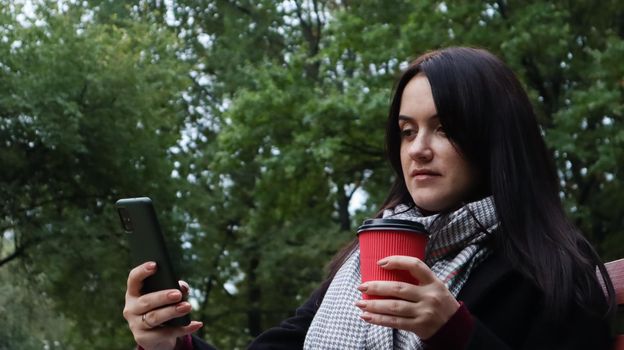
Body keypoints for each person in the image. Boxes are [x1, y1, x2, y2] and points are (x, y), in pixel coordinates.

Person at [122, 47, 616, 349]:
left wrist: (453, 333)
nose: (418, 149)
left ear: (494, 140)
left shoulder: (556, 272)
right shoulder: (367, 258)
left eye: (443, 129)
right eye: (406, 131)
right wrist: (170, 342)